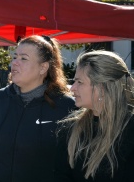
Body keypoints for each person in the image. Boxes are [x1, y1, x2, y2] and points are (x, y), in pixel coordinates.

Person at [0, 35, 75, 182]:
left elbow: (71, 160)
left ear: (43, 67)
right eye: (15, 57)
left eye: (23, 58)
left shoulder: (66, 107)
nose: (15, 63)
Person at [55, 50, 134, 182]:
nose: (72, 88)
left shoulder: (130, 130)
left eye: (79, 82)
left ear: (102, 88)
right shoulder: (69, 129)